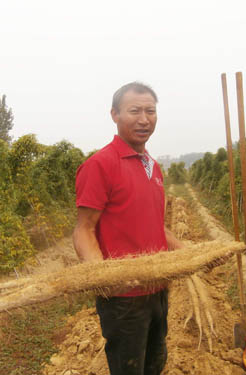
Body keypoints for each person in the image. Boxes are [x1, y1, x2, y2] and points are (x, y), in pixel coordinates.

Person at [73, 82, 183, 375]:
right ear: (114, 114)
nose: (144, 119)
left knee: (154, 364)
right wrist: (104, 277)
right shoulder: (100, 164)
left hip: (158, 290)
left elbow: (155, 227)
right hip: (124, 299)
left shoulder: (153, 167)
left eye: (151, 111)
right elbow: (84, 229)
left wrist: (194, 254)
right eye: (134, 111)